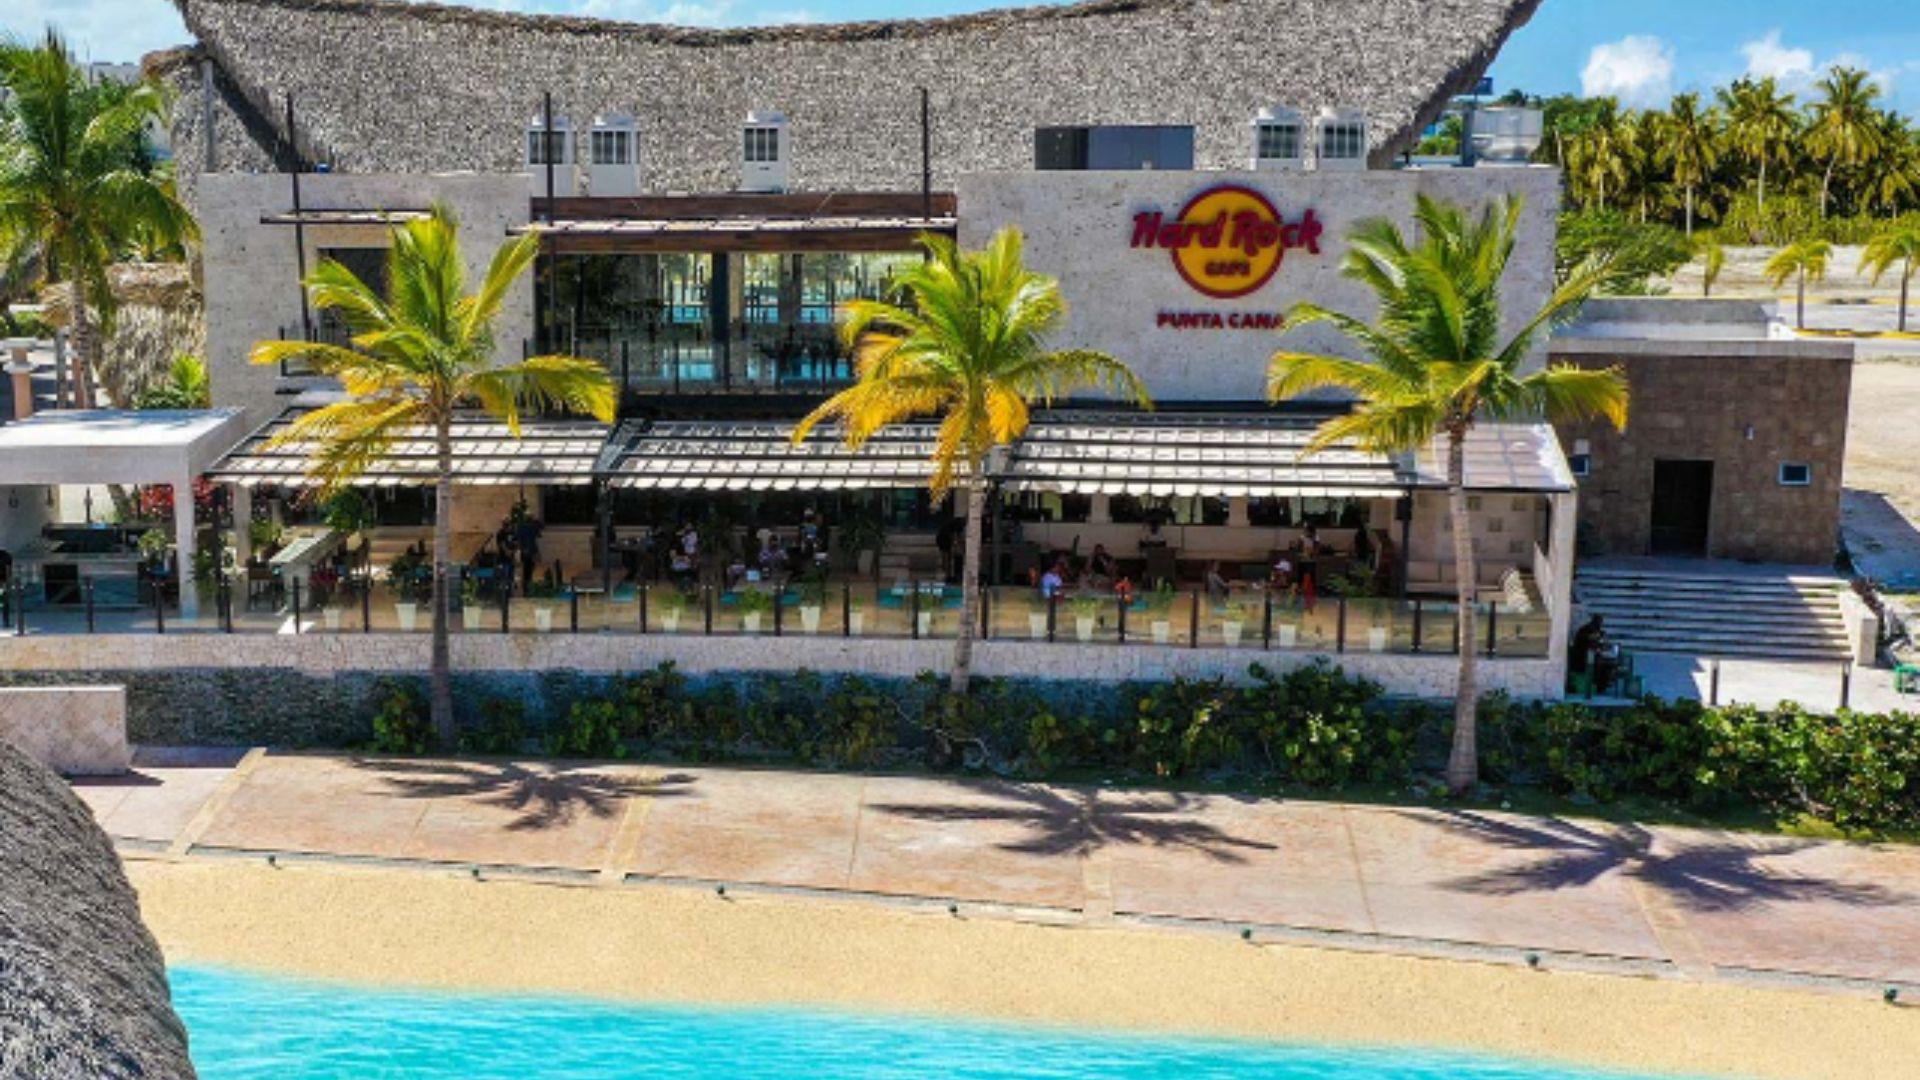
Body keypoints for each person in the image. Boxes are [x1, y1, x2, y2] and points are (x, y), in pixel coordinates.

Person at [513, 514, 544, 594]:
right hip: (530, 551)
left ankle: (526, 587)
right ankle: (526, 588)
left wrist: (521, 549)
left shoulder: (521, 527)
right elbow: (541, 528)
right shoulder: (533, 528)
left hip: (524, 551)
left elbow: (517, 539)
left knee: (526, 570)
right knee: (529, 571)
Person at [1296, 525, 1321, 613]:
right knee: (1301, 579)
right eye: (1305, 531)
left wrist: (1312, 553)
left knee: (1311, 580)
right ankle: (1301, 598)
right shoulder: (1302, 537)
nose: (1306, 532)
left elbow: (1317, 550)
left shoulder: (1316, 538)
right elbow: (1298, 548)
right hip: (1303, 561)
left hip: (1311, 562)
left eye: (1307, 531)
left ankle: (1311, 600)